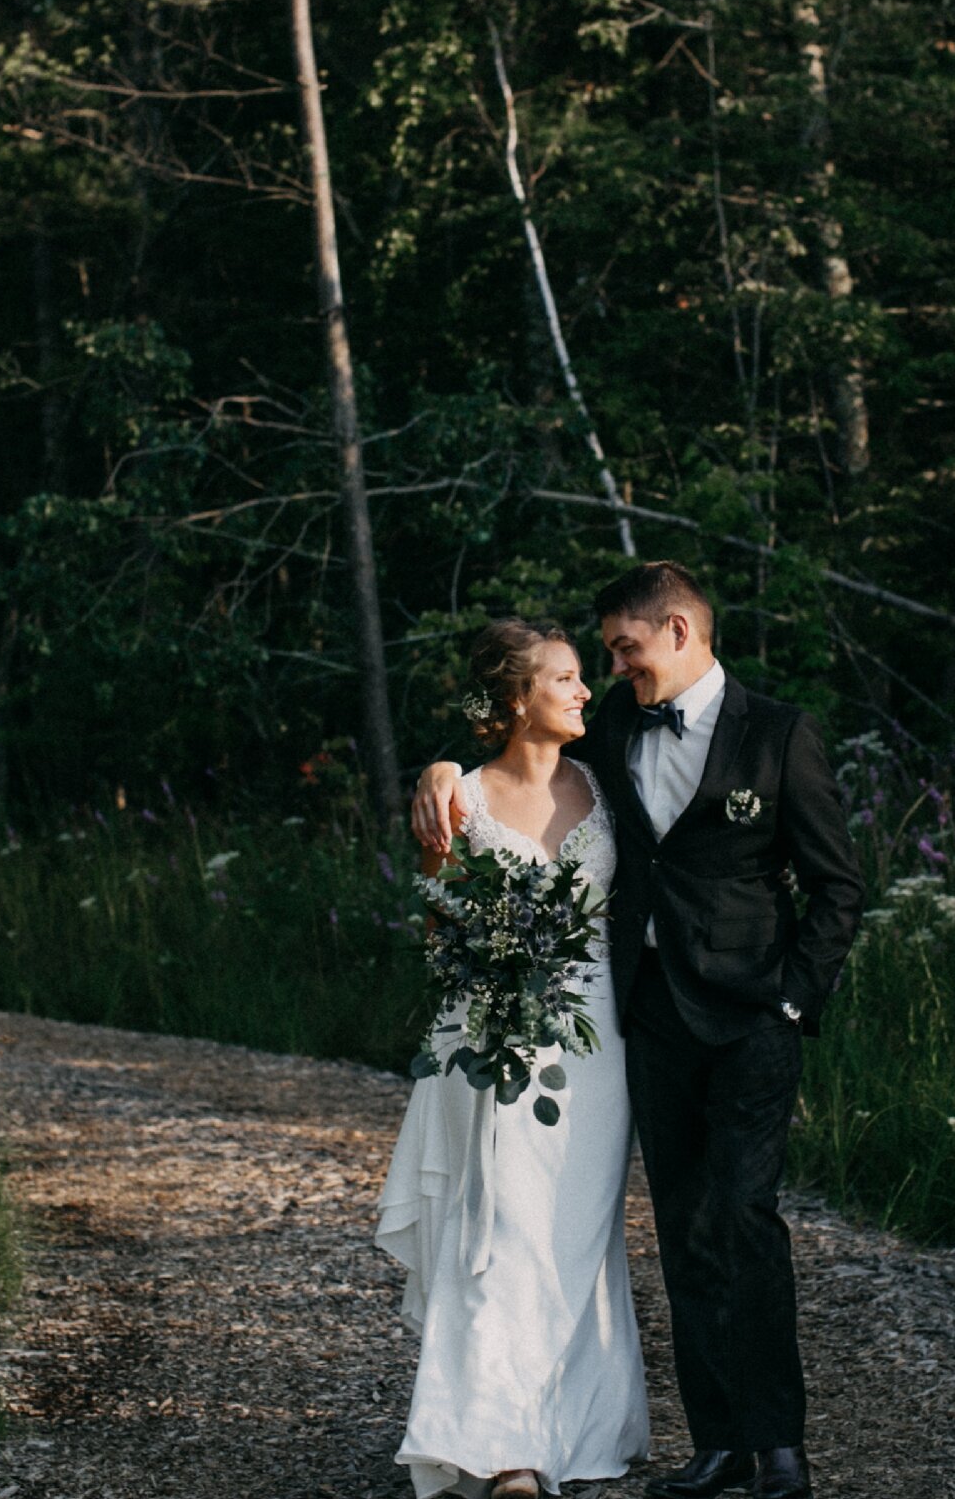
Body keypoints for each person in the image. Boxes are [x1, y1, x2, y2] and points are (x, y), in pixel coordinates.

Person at [412, 562, 864, 1501]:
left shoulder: (780, 734)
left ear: (680, 634)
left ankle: (778, 1444)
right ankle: (716, 1444)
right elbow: (515, 750)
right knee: (685, 1229)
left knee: (745, 1216)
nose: (613, 668)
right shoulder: (613, 727)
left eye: (625, 648)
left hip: (750, 1022)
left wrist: (793, 999)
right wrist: (439, 766)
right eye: (604, 653)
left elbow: (838, 886)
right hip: (644, 1022)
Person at [375, 619, 650, 1498]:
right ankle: (502, 1447)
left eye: (580, 678)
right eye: (564, 680)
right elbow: (434, 921)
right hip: (490, 1036)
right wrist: (495, 963)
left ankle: (578, 1429)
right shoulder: (460, 798)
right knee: (498, 1232)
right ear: (514, 700)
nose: (582, 691)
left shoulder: (610, 783)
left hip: (598, 1040)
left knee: (576, 1234)